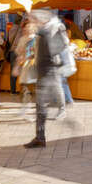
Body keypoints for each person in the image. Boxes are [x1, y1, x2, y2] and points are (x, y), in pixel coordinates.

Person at [25, 10, 67, 148]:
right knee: (41, 106)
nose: (32, 23)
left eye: (33, 20)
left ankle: (40, 137)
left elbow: (54, 52)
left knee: (41, 106)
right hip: (47, 73)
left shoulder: (46, 32)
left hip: (48, 73)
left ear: (40, 21)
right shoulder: (45, 32)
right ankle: (40, 137)